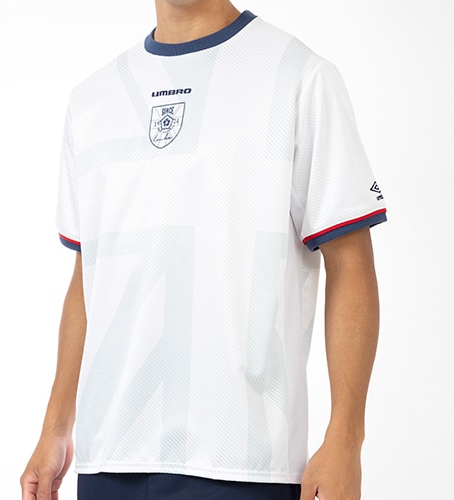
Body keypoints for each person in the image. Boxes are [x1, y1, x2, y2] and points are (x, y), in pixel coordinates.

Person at [21, 1, 387, 499]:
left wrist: (346, 437)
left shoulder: (300, 77)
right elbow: (90, 276)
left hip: (245, 467)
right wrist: (55, 428)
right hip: (108, 460)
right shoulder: (92, 100)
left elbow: (350, 263)